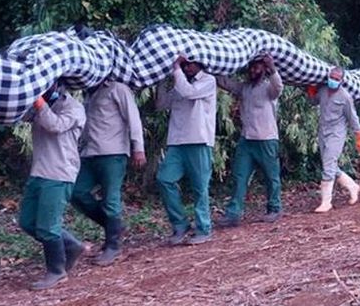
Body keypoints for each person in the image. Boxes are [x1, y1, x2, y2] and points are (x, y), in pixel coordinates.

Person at [18, 83, 86, 290]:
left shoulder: (74, 107)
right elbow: (22, 117)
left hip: (59, 172)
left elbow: (54, 125)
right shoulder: (43, 103)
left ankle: (57, 271)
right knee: (27, 222)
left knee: (48, 226)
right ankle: (71, 245)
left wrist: (39, 102)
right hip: (39, 170)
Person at [71, 79, 145, 266]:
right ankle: (114, 227)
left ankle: (113, 245)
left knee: (110, 199)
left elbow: (133, 117)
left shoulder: (118, 89)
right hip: (90, 152)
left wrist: (138, 148)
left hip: (113, 153)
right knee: (76, 192)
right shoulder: (88, 92)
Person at [216, 54, 284, 226]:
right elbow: (226, 84)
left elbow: (279, 87)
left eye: (257, 67)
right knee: (239, 176)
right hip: (247, 140)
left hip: (267, 139)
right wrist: (213, 67)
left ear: (264, 70)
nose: (253, 70)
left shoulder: (269, 88)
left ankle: (274, 208)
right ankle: (233, 213)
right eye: (252, 67)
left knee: (271, 176)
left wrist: (273, 67)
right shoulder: (245, 88)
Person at [155, 57, 217, 246]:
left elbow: (189, 93)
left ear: (200, 63)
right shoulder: (180, 82)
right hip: (177, 141)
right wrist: (161, 80)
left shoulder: (208, 80)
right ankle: (180, 224)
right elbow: (161, 105)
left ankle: (203, 228)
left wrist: (176, 70)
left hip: (199, 140)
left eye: (189, 63)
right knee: (164, 179)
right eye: (184, 64)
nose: (187, 67)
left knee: (200, 187)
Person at [308, 67, 360, 213]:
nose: (333, 80)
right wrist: (311, 89)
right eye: (331, 77)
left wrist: (359, 137)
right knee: (330, 166)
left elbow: (352, 117)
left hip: (337, 134)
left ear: (341, 80)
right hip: (323, 132)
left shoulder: (345, 97)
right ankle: (353, 186)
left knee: (328, 166)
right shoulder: (323, 90)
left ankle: (326, 202)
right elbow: (313, 102)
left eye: (336, 79)